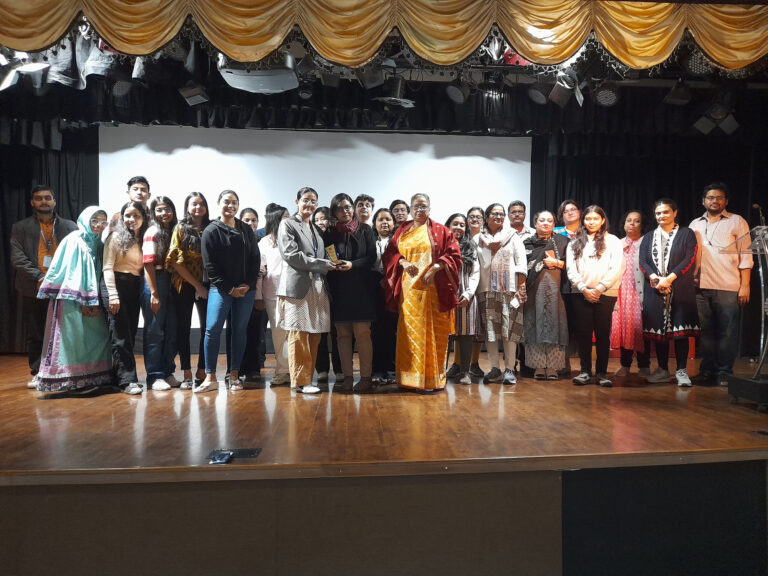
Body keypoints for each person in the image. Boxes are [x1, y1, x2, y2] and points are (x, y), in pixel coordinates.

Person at [383, 193, 461, 393]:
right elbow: (391, 254)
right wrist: (403, 262)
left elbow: (454, 255)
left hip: (434, 291)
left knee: (434, 335)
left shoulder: (441, 231)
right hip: (409, 292)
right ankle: (409, 379)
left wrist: (435, 268)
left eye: (423, 206)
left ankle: (431, 379)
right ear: (410, 209)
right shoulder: (402, 230)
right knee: (410, 334)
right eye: (416, 206)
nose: (420, 210)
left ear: (430, 208)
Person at [35, 207, 112, 394]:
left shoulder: (99, 243)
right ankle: (68, 380)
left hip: (92, 299)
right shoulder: (75, 240)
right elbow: (73, 274)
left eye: (103, 222)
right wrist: (85, 301)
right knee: (72, 340)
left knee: (96, 338)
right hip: (72, 299)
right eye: (94, 220)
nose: (99, 225)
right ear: (85, 220)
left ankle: (90, 377)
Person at [10, 184, 77, 388]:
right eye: (39, 198)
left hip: (63, 287)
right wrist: (40, 277)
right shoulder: (20, 227)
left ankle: (64, 372)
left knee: (65, 332)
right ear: (32, 202)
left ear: (54, 201)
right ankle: (38, 372)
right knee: (36, 332)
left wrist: (60, 278)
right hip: (33, 286)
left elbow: (76, 256)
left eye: (48, 198)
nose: (44, 201)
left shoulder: (70, 227)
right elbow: (18, 258)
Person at [688, 182, 753, 384]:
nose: (714, 201)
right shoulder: (695, 224)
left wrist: (745, 285)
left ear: (726, 201)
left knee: (727, 331)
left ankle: (724, 372)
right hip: (700, 286)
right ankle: (707, 371)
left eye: (719, 198)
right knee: (705, 332)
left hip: (728, 285)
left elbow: (746, 255)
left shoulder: (737, 221)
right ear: (703, 201)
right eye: (710, 198)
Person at [197, 190, 261, 392]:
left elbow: (255, 259)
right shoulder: (211, 231)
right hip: (221, 289)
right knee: (212, 329)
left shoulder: (245, 229)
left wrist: (248, 284)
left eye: (234, 202)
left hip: (245, 290)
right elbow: (210, 266)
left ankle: (234, 375)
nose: (230, 206)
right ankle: (210, 377)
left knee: (239, 330)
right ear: (219, 204)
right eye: (226, 202)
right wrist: (230, 289)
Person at [277, 187, 335, 394]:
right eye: (305, 200)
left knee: (314, 335)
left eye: (313, 201)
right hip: (297, 287)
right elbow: (291, 255)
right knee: (298, 334)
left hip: (317, 287)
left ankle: (307, 380)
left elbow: (320, 255)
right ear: (297, 202)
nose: (309, 204)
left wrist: (332, 263)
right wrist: (323, 264)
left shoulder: (315, 229)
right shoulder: (287, 224)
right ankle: (300, 382)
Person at [640, 198, 700, 387]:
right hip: (655, 289)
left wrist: (669, 278)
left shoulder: (686, 233)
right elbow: (643, 261)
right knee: (659, 332)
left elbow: (689, 258)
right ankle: (663, 369)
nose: (661, 216)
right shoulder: (648, 236)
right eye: (658, 213)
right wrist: (656, 279)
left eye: (665, 212)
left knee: (680, 332)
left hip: (680, 287)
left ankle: (681, 370)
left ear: (675, 213)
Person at [324, 193, 377, 393]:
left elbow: (371, 257)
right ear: (334, 211)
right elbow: (327, 254)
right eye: (340, 208)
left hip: (362, 289)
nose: (345, 211)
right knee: (342, 335)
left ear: (353, 208)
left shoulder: (365, 229)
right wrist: (332, 265)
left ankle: (366, 377)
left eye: (347, 207)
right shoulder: (330, 232)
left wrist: (352, 265)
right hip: (339, 289)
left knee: (363, 333)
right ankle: (347, 377)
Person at [566, 205, 624, 387]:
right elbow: (571, 269)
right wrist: (584, 288)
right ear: (583, 220)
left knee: (602, 333)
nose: (591, 222)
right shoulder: (575, 242)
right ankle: (584, 371)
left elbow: (616, 268)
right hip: (581, 293)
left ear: (602, 220)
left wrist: (599, 288)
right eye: (588, 218)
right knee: (583, 333)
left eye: (595, 219)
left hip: (605, 293)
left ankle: (601, 373)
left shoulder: (613, 241)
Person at [475, 203, 527, 384]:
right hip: (486, 289)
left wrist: (521, 287)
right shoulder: (478, 238)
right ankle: (495, 369)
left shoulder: (513, 236)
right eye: (494, 214)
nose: (498, 217)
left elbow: (521, 263)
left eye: (501, 214)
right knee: (490, 331)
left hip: (509, 290)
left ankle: (510, 369)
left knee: (509, 330)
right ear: (487, 216)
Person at [103, 201, 149, 395]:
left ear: (143, 218)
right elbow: (107, 267)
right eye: (127, 216)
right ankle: (128, 381)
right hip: (117, 285)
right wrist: (113, 295)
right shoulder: (115, 237)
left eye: (136, 215)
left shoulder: (145, 239)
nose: (132, 219)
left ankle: (119, 378)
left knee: (129, 334)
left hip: (135, 286)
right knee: (121, 335)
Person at [166, 191, 210, 389]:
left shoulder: (211, 227)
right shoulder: (181, 228)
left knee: (207, 328)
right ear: (187, 207)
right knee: (183, 328)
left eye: (201, 204)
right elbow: (176, 261)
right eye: (194, 204)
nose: (198, 207)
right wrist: (197, 285)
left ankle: (202, 370)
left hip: (208, 284)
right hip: (184, 283)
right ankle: (186, 373)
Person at [523, 210, 570, 379]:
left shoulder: (563, 242)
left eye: (549, 221)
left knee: (554, 324)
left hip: (556, 292)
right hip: (532, 291)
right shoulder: (526, 244)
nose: (545, 223)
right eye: (542, 220)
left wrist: (557, 263)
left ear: (554, 224)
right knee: (534, 324)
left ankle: (553, 367)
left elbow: (574, 265)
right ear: (535, 223)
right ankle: (538, 366)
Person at [141, 196, 179, 390]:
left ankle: (167, 372)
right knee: (155, 331)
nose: (164, 213)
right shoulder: (152, 232)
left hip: (172, 281)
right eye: (160, 209)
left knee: (172, 330)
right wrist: (154, 293)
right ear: (153, 212)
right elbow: (148, 265)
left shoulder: (174, 231)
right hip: (156, 281)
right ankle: (155, 376)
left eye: (168, 209)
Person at [611, 210, 651, 377]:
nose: (632, 224)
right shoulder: (617, 244)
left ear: (642, 225)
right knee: (624, 328)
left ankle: (644, 365)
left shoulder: (647, 243)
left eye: (636, 221)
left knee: (642, 329)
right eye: (629, 221)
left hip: (640, 292)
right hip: (622, 292)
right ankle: (625, 365)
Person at [256, 204, 291, 387]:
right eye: (285, 216)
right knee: (278, 333)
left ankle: (296, 370)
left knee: (294, 333)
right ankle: (283, 371)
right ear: (275, 219)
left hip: (294, 292)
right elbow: (259, 271)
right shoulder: (263, 243)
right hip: (272, 293)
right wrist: (258, 296)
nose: (289, 219)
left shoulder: (293, 238)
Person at [444, 213, 479, 385]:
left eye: (462, 225)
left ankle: (465, 372)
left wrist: (468, 294)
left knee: (465, 335)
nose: (458, 227)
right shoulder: (440, 245)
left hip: (466, 297)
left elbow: (475, 273)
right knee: (445, 335)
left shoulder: (470, 246)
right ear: (448, 226)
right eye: (455, 224)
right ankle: (440, 372)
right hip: (444, 296)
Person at [310, 206, 342, 384]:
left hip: (337, 288)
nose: (321, 222)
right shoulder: (310, 238)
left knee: (338, 331)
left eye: (324, 218)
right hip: (317, 288)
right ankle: (321, 369)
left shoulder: (337, 236)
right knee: (319, 330)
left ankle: (339, 369)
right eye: (317, 219)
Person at [234, 207, 266, 383]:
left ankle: (254, 368)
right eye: (246, 220)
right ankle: (236, 369)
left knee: (255, 332)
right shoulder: (236, 238)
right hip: (237, 291)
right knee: (237, 331)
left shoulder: (262, 241)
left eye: (254, 220)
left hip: (257, 292)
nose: (251, 223)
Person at [370, 207, 397, 383]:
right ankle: (377, 371)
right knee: (376, 331)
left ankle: (392, 371)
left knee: (392, 331)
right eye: (381, 219)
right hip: (374, 289)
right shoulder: (370, 241)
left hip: (394, 291)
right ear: (375, 223)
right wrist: (377, 280)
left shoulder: (399, 241)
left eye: (388, 219)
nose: (385, 222)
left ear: (394, 223)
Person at [464, 206, 486, 379]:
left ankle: (474, 363)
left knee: (480, 327)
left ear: (483, 220)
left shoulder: (486, 238)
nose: (475, 219)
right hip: (466, 286)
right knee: (463, 327)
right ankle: (458, 363)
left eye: (478, 217)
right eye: (471, 216)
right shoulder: (461, 237)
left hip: (484, 284)